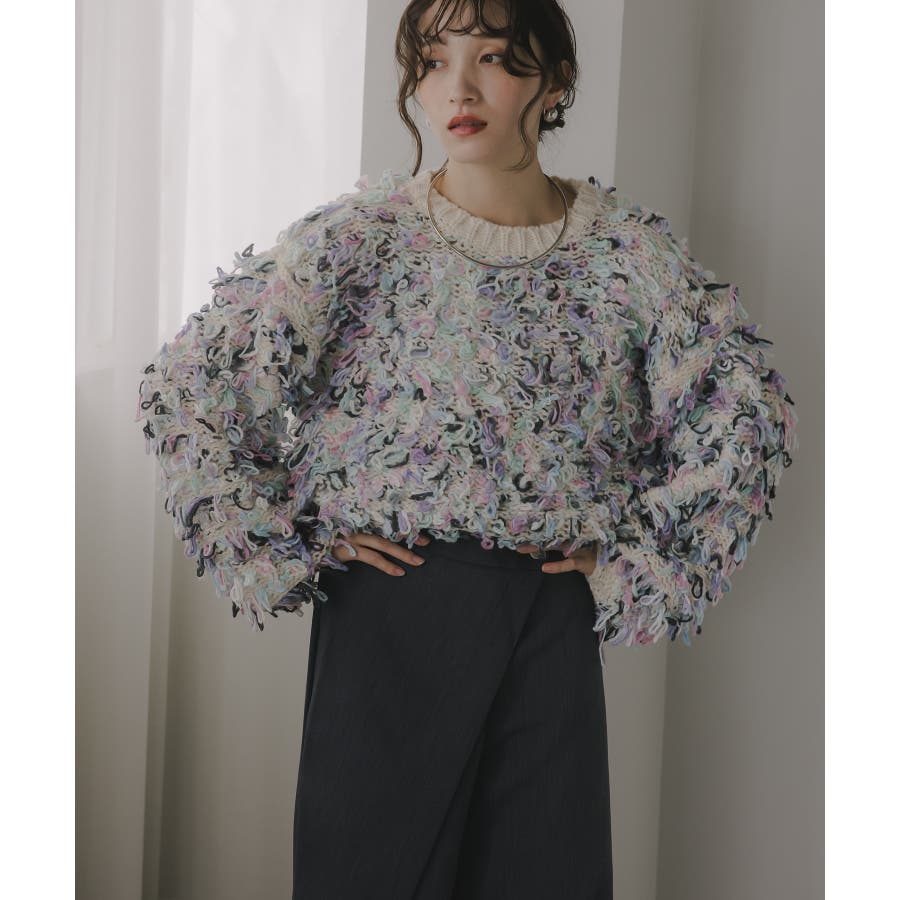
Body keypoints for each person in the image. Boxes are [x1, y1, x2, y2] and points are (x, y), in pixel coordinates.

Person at [134, 0, 799, 897]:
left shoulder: (629, 257)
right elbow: (189, 388)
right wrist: (290, 536)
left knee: (544, 876)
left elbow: (745, 413)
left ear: (554, 81)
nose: (458, 87)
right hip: (390, 608)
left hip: (550, 610)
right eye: (433, 58)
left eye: (492, 57)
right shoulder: (358, 240)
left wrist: (637, 561)